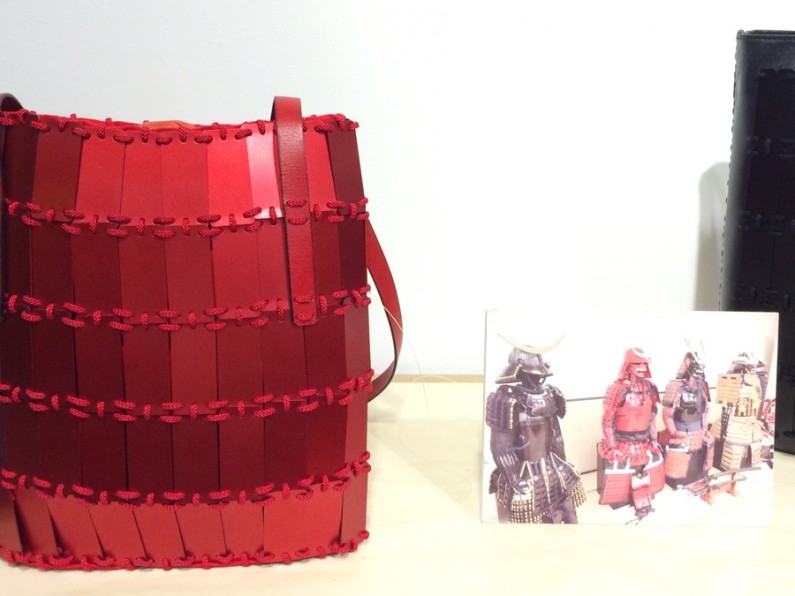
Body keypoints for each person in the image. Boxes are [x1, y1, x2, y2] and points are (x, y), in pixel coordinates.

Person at [486, 347, 584, 523]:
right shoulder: (506, 400)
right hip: (523, 470)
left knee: (568, 509)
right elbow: (500, 447)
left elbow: (555, 435)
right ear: (519, 371)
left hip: (551, 464)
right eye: (533, 374)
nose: (538, 378)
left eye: (539, 374)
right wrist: (514, 480)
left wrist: (562, 461)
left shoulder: (550, 394)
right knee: (531, 520)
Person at [597, 347, 665, 519]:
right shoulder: (616, 389)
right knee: (620, 473)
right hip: (622, 441)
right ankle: (623, 501)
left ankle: (644, 500)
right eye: (637, 363)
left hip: (644, 441)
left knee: (650, 468)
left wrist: (653, 439)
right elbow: (607, 421)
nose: (642, 367)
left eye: (644, 363)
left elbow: (651, 418)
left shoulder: (651, 387)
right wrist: (613, 447)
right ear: (627, 365)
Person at [659, 351, 714, 486]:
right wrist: (674, 432)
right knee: (680, 447)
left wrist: (704, 428)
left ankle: (700, 474)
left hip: (698, 430)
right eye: (696, 368)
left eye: (701, 369)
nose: (699, 372)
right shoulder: (675, 386)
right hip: (680, 430)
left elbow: (705, 410)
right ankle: (678, 481)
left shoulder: (703, 386)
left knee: (709, 441)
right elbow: (667, 414)